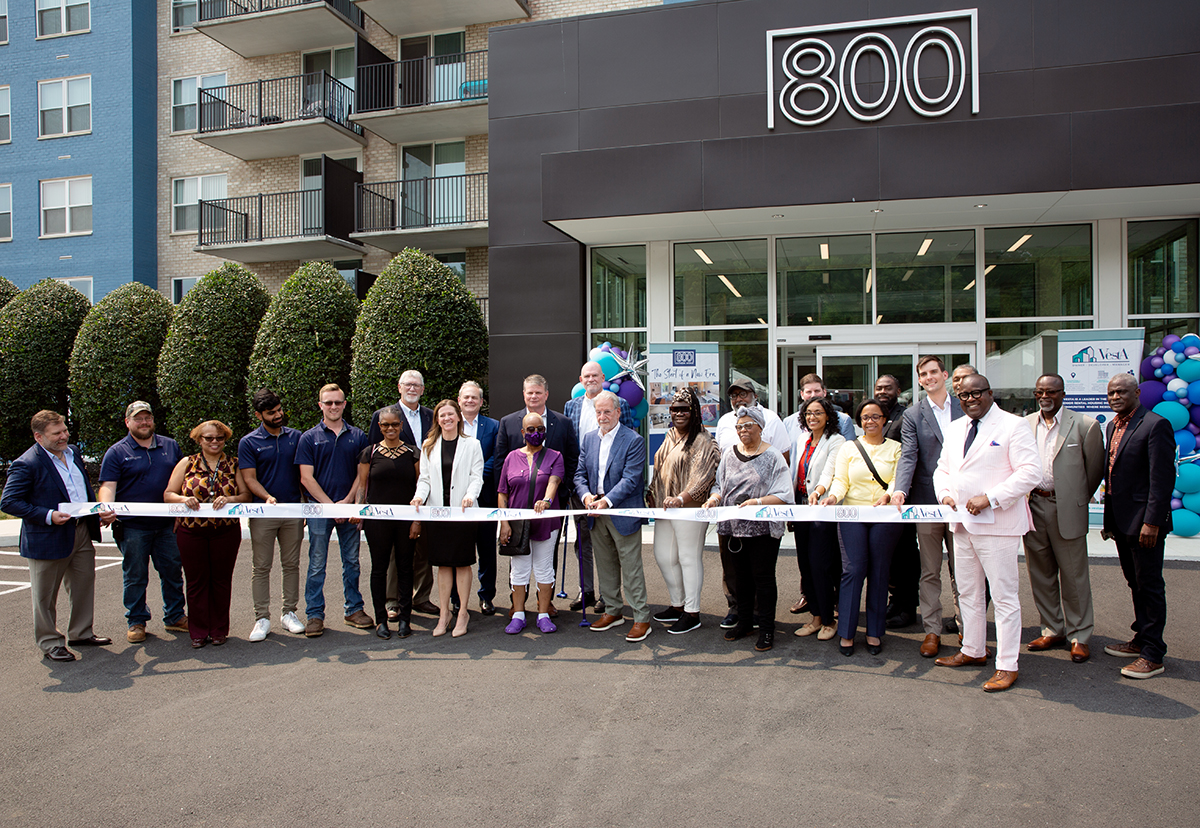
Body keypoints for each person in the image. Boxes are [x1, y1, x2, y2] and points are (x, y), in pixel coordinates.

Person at [933, 373, 1041, 693]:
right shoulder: (955, 428)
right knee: (968, 592)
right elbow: (943, 469)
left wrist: (991, 498)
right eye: (963, 396)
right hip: (962, 523)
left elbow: (1030, 472)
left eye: (976, 394)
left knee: (1004, 597)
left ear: (990, 393)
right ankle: (974, 650)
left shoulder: (1013, 425)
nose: (970, 400)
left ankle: (1007, 664)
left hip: (998, 524)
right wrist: (945, 495)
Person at [1, 411, 109, 662]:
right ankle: (50, 642)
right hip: (47, 536)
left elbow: (80, 489)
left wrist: (97, 511)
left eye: (64, 430)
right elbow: (9, 502)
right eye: (57, 433)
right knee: (45, 596)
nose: (64, 436)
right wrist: (48, 515)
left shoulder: (73, 453)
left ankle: (81, 633)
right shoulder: (27, 463)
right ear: (39, 437)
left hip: (81, 530)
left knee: (83, 585)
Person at [1023, 374, 1105, 663]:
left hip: (1065, 507)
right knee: (1040, 573)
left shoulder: (1085, 425)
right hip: (1033, 506)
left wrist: (1074, 499)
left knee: (1074, 576)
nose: (1045, 396)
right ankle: (1052, 628)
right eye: (1040, 392)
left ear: (1063, 393)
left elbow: (1094, 469)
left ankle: (1079, 635)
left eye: (1052, 391)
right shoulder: (1025, 424)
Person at [1101, 373, 1174, 680]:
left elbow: (1161, 479)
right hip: (1121, 520)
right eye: (1111, 393)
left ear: (1137, 393)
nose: (1115, 397)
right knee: (1135, 583)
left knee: (1150, 585)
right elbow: (1113, 475)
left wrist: (1153, 522)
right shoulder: (1112, 425)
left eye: (1121, 392)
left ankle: (1153, 653)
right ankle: (1141, 638)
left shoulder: (1155, 425)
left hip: (1144, 523)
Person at [891, 355, 964, 658]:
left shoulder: (966, 406)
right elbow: (909, 455)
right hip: (926, 501)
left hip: (962, 501)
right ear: (919, 380)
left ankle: (966, 628)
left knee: (963, 569)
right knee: (929, 570)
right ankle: (932, 630)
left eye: (934, 371)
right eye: (924, 374)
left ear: (944, 375)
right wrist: (899, 491)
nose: (930, 377)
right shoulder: (913, 414)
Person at [705, 405, 793, 652]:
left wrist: (757, 502)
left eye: (747, 425)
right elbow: (719, 485)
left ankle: (766, 629)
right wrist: (714, 498)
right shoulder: (730, 454)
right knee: (740, 578)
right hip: (734, 529)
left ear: (760, 428)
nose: (742, 430)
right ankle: (744, 622)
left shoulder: (774, 456)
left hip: (763, 531)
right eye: (739, 426)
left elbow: (784, 494)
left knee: (763, 579)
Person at [99, 401, 187, 643]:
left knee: (172, 571)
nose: (144, 422)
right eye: (138, 419)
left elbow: (181, 482)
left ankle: (175, 616)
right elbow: (108, 486)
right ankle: (136, 620)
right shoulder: (116, 452)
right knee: (135, 575)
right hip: (133, 526)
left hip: (167, 525)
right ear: (128, 422)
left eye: (148, 418)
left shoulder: (170, 446)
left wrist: (181, 510)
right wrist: (107, 507)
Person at [821, 398, 902, 656]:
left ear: (885, 420)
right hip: (852, 514)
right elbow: (840, 480)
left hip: (885, 516)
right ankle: (846, 631)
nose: (870, 421)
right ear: (859, 421)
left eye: (876, 416)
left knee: (879, 572)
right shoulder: (849, 448)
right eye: (865, 417)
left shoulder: (897, 449)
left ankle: (875, 632)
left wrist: (888, 496)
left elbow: (898, 480)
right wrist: (833, 497)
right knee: (853, 570)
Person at [496, 374, 579, 615]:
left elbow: (571, 458)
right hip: (517, 505)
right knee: (517, 556)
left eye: (538, 392)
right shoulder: (508, 422)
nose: (533, 396)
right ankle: (516, 604)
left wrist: (560, 494)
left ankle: (546, 603)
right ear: (524, 395)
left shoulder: (562, 422)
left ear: (546, 394)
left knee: (546, 556)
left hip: (550, 507)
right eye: (529, 392)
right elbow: (502, 463)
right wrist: (505, 513)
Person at [164, 420, 250, 648]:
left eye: (219, 438)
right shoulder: (187, 463)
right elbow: (168, 494)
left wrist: (230, 499)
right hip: (192, 532)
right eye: (209, 438)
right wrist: (184, 499)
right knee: (196, 581)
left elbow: (245, 496)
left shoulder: (233, 464)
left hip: (225, 531)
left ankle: (219, 629)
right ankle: (199, 631)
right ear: (199, 440)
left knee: (221, 580)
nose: (214, 442)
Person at [574, 391, 651, 642]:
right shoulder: (588, 439)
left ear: (618, 412)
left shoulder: (633, 440)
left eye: (607, 411)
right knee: (605, 565)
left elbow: (631, 479)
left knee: (631, 569)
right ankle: (613, 611)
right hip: (595, 511)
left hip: (621, 511)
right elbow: (579, 475)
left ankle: (641, 618)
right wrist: (586, 497)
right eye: (598, 412)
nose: (602, 416)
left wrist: (606, 501)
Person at [296, 383, 372, 637]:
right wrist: (329, 507)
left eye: (338, 402)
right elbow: (306, 478)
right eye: (328, 403)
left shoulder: (358, 436)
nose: (333, 407)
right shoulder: (308, 438)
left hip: (349, 509)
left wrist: (349, 502)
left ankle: (354, 609)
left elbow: (362, 475)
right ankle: (314, 615)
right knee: (317, 563)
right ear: (321, 405)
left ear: (344, 404)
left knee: (352, 562)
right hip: (320, 511)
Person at [563, 361, 635, 613]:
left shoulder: (620, 405)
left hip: (611, 491)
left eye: (595, 375)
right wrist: (577, 487)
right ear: (580, 380)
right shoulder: (570, 406)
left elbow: (628, 441)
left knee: (611, 543)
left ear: (603, 378)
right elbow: (570, 446)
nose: (591, 379)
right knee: (582, 541)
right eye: (586, 376)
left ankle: (608, 594)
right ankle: (587, 590)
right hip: (581, 488)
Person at [647, 387, 719, 634]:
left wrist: (681, 498)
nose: (679, 413)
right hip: (665, 507)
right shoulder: (669, 436)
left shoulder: (703, 439)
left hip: (689, 507)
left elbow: (704, 475)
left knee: (688, 558)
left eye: (684, 409)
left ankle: (692, 611)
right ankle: (677, 605)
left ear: (695, 411)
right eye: (675, 409)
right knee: (664, 556)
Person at [411, 399, 484, 638]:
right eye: (442, 416)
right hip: (437, 514)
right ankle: (444, 614)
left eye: (450, 414)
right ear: (437, 420)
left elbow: (477, 477)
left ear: (458, 417)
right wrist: (419, 498)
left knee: (462, 563)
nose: (446, 419)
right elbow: (424, 479)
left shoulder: (472, 444)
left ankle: (463, 612)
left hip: (463, 513)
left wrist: (470, 496)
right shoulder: (428, 446)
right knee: (442, 564)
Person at [368, 370, 438, 619]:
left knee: (422, 548)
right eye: (408, 384)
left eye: (416, 385)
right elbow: (374, 454)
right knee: (394, 553)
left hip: (424, 489)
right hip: (393, 494)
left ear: (422, 389)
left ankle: (421, 597)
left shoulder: (432, 415)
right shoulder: (385, 416)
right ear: (399, 387)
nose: (412, 388)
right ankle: (392, 600)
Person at [238, 388, 306, 641]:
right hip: (263, 512)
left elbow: (303, 474)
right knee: (262, 566)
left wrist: (304, 505)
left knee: (291, 565)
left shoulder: (296, 437)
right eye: (271, 413)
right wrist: (266, 496)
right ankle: (262, 618)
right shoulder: (248, 442)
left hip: (293, 511)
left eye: (279, 410)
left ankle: (289, 613)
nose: (278, 415)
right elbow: (249, 478)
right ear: (259, 415)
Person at [353, 406, 421, 640]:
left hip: (405, 521)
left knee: (405, 568)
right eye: (385, 425)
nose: (390, 429)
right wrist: (359, 511)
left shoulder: (414, 453)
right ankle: (381, 620)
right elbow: (362, 486)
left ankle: (405, 620)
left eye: (394, 424)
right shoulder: (368, 453)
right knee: (379, 569)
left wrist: (416, 520)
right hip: (377, 522)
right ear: (379, 427)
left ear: (401, 425)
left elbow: (420, 489)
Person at [497, 412, 565, 634]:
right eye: (532, 430)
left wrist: (546, 500)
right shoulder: (510, 457)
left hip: (546, 521)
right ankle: (518, 614)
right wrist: (504, 522)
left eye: (541, 430)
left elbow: (554, 481)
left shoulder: (555, 455)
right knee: (519, 570)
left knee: (545, 569)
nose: (536, 434)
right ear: (523, 432)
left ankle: (543, 615)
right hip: (517, 524)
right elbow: (502, 492)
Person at [789, 396, 845, 640]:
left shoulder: (837, 441)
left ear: (828, 416)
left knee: (821, 565)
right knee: (805, 565)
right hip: (800, 508)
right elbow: (795, 470)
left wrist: (819, 492)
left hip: (821, 509)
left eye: (818, 412)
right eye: (809, 413)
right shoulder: (802, 439)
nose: (813, 417)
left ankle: (829, 620)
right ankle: (815, 617)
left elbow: (829, 472)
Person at [458, 380, 499, 616]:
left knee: (486, 548)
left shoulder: (493, 426)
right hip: (457, 497)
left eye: (475, 397)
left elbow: (496, 456)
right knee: (459, 548)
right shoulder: (450, 424)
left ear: (481, 402)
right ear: (459, 401)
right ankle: (457, 598)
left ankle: (486, 596)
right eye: (466, 397)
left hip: (485, 496)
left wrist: (475, 479)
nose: (470, 401)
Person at [784, 373, 857, 443]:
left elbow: (850, 452)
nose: (813, 395)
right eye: (809, 392)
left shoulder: (843, 421)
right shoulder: (789, 423)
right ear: (802, 395)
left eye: (817, 391)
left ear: (824, 392)